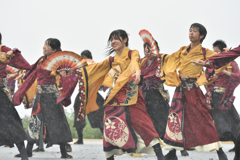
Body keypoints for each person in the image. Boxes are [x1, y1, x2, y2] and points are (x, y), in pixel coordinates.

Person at [61, 30, 165, 160]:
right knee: (109, 122)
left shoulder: (133, 53)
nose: (113, 42)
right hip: (115, 95)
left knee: (143, 123)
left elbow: (134, 62)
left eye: (116, 38)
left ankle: (160, 156)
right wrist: (73, 70)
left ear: (125, 40)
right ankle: (110, 156)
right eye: (111, 39)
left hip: (132, 94)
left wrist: (137, 72)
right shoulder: (111, 60)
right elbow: (94, 68)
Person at [156, 23, 228, 160]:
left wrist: (205, 65)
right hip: (180, 90)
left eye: (195, 31)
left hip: (193, 89)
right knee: (175, 120)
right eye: (190, 30)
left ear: (201, 36)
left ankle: (220, 151)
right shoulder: (183, 51)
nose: (191, 33)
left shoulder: (206, 52)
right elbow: (169, 60)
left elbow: (220, 61)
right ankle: (172, 152)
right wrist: (157, 56)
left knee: (204, 119)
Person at [13, 38, 73, 159]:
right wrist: (21, 83)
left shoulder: (59, 61)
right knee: (35, 123)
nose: (44, 47)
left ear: (55, 49)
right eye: (44, 45)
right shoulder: (41, 59)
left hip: (52, 96)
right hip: (40, 96)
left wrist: (65, 74)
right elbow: (32, 72)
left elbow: (66, 77)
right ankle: (28, 150)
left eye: (48, 46)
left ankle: (63, 152)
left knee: (58, 123)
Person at [0, 32, 32, 160]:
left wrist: (12, 53)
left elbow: (20, 60)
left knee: (11, 121)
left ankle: (24, 155)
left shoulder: (3, 50)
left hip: (0, 93)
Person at [204, 40, 240, 152]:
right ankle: (208, 144)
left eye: (217, 52)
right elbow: (206, 78)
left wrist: (227, 73)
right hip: (215, 96)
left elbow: (238, 76)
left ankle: (236, 145)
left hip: (226, 96)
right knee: (214, 120)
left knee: (233, 120)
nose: (215, 54)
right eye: (213, 52)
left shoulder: (232, 63)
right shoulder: (212, 64)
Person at [73, 50, 104, 144]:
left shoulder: (95, 68)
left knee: (99, 116)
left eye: (85, 57)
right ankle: (80, 138)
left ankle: (105, 138)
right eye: (82, 58)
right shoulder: (79, 69)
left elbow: (101, 81)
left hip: (93, 94)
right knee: (79, 116)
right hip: (82, 94)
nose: (84, 60)